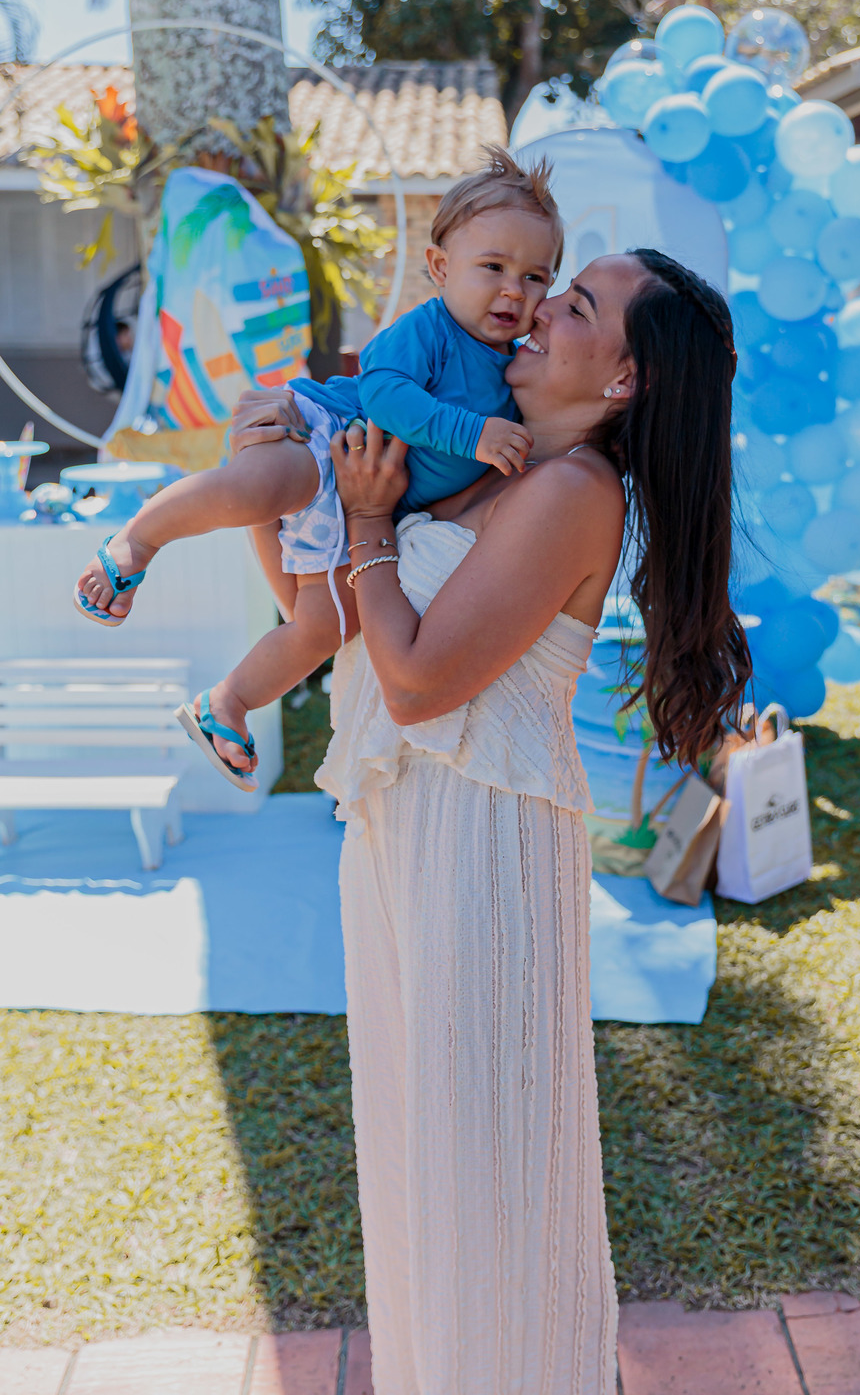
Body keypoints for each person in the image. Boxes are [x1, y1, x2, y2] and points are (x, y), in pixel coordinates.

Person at [228, 247, 751, 1395]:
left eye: (575, 305)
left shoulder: (575, 493)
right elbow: (330, 621)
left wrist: (371, 522)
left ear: (623, 379)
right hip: (400, 836)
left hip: (479, 853)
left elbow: (418, 682)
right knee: (418, 1162)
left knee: (484, 1181)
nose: (535, 310)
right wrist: (274, 474)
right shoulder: (478, 469)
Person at [71, 148, 561, 791]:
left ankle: (226, 704)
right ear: (441, 268)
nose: (514, 290)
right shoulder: (433, 328)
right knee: (255, 488)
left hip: (358, 502)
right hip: (328, 434)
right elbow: (385, 393)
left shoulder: (514, 370)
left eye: (535, 277)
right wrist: (474, 435)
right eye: (493, 266)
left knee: (326, 625)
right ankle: (137, 540)